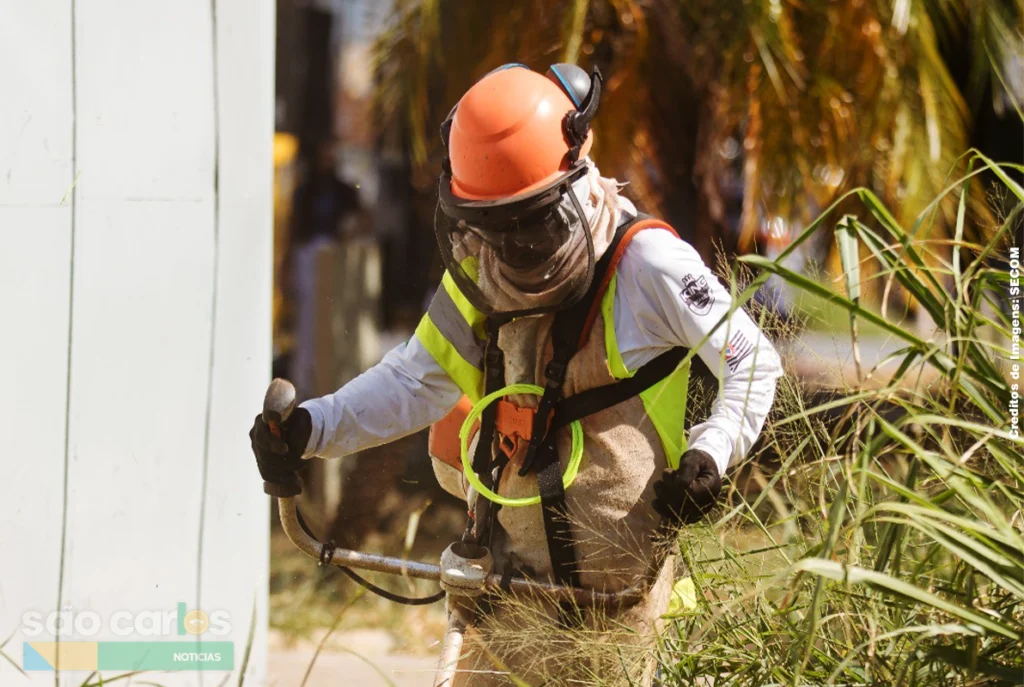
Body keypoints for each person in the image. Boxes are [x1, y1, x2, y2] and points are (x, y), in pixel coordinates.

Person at [251, 64, 783, 686]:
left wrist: (712, 451)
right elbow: (413, 382)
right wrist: (312, 429)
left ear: (576, 176)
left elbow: (752, 360)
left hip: (625, 604)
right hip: (507, 599)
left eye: (530, 223)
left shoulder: (647, 263)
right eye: (493, 228)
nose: (514, 247)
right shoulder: (484, 268)